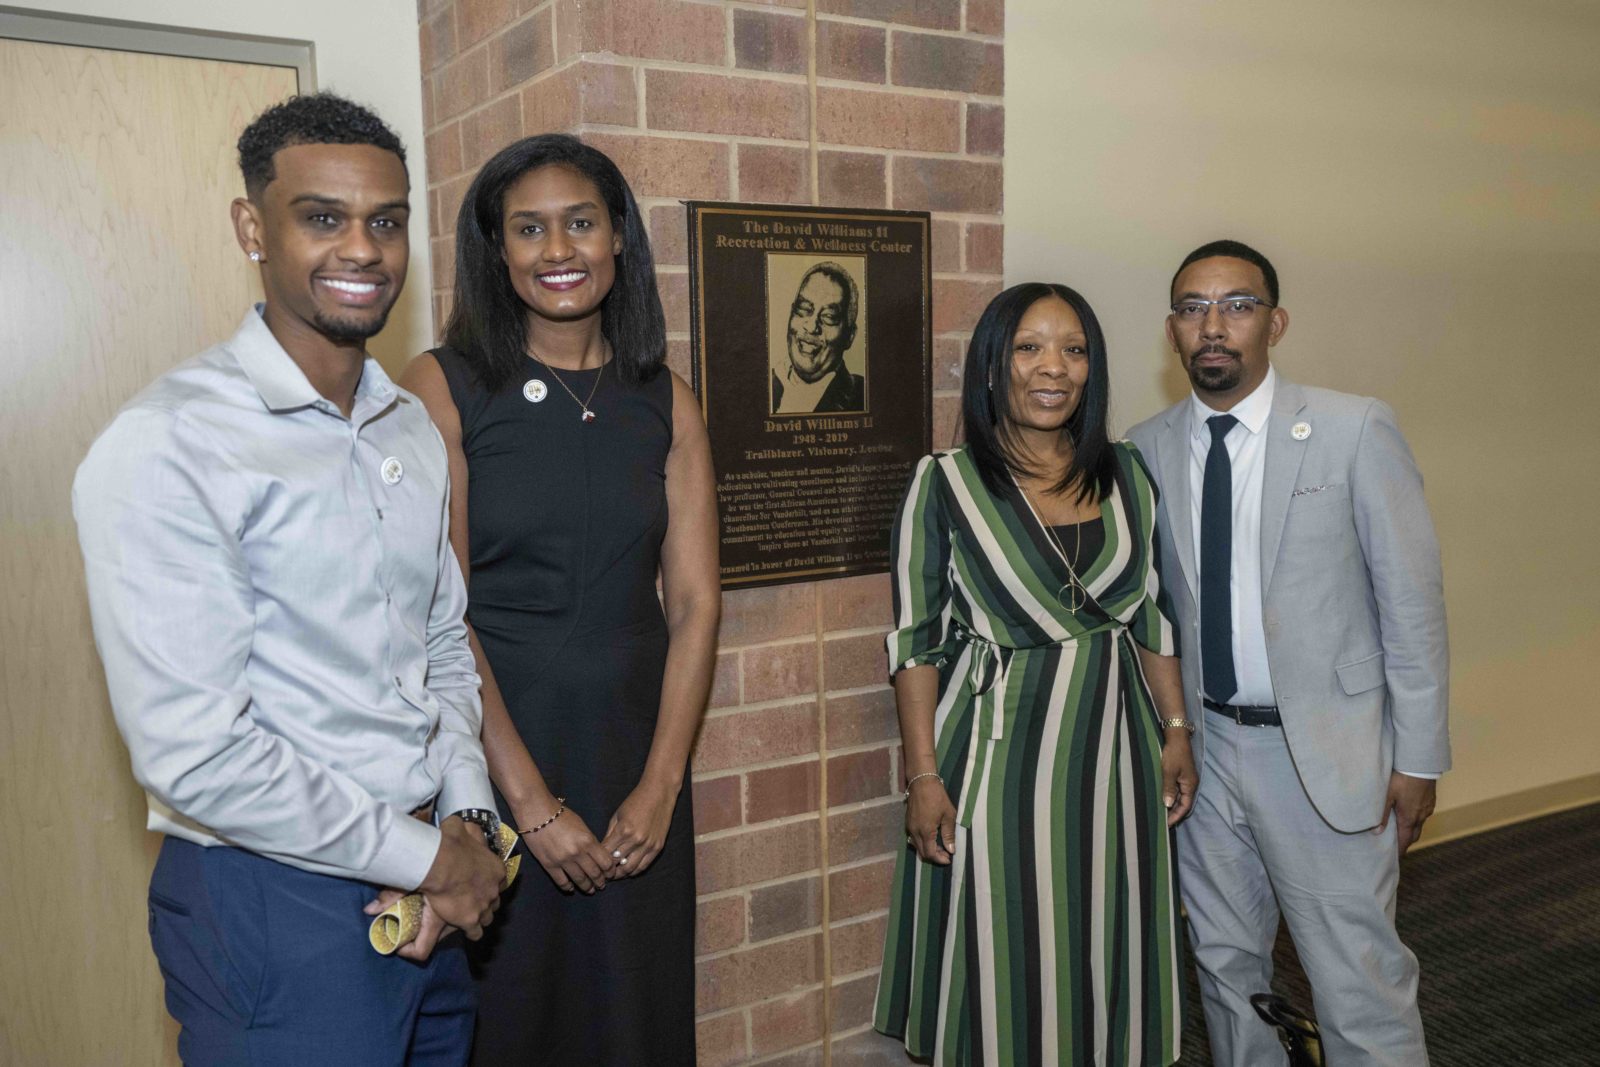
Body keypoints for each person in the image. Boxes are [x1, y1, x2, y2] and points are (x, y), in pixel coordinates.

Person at [72, 93, 505, 1065]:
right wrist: (433, 858)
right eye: (323, 218)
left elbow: (439, 640)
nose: (363, 248)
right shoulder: (171, 443)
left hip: (430, 874)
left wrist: (466, 818)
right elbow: (197, 754)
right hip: (274, 898)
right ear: (251, 228)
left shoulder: (406, 424)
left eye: (386, 221)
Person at [400, 134, 720, 1065]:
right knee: (518, 1014)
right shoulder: (447, 386)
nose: (557, 250)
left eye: (580, 222)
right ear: (496, 251)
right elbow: (438, 613)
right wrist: (529, 806)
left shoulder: (667, 398)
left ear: (619, 236)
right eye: (528, 229)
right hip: (498, 749)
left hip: (635, 748)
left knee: (637, 1008)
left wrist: (660, 789)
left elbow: (696, 603)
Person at [1127, 239, 1450, 1066]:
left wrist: (1418, 757)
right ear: (1172, 330)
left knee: (1358, 986)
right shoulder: (1144, 450)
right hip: (1205, 757)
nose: (1214, 325)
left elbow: (1411, 606)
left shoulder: (1352, 428)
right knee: (1230, 981)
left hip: (1326, 755)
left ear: (1275, 320)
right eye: (1194, 307)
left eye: (1236, 304)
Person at [874, 282, 1197, 1065]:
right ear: (992, 367)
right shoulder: (944, 483)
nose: (1053, 366)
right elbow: (915, 641)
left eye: (1074, 349)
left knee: (1104, 929)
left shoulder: (1127, 472)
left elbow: (1149, 613)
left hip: (1116, 753)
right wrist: (922, 775)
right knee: (1005, 941)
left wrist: (1177, 729)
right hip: (998, 751)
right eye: (1029, 347)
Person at [770, 259, 866, 413]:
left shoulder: (863, 396)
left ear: (850, 336)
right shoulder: (763, 383)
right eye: (803, 309)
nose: (811, 327)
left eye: (828, 316)